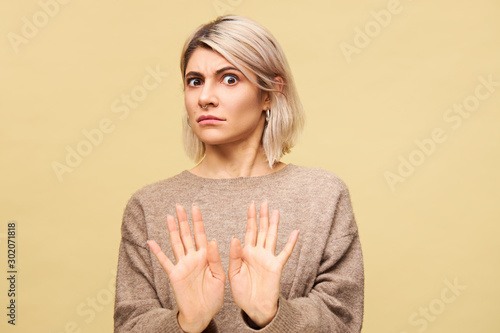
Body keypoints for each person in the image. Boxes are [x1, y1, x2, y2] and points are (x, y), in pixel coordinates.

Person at [114, 15, 364, 332]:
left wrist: (269, 313)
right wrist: (186, 322)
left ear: (269, 94)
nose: (205, 97)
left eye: (229, 79)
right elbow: (129, 325)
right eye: (195, 81)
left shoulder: (322, 196)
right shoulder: (148, 206)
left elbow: (342, 323)